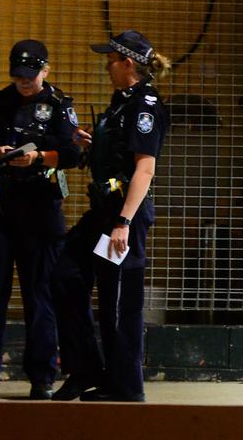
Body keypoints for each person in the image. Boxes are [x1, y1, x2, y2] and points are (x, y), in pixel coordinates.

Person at [50, 30, 171, 402]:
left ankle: (125, 387)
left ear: (127, 63)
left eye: (110, 60)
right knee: (64, 272)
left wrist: (124, 223)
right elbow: (117, 154)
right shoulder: (121, 102)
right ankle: (86, 369)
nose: (106, 66)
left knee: (119, 302)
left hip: (122, 219)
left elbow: (144, 169)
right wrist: (93, 143)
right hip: (102, 213)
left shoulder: (144, 106)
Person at [0, 39, 80, 400]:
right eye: (18, 76)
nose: (24, 82)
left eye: (30, 76)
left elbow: (73, 154)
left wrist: (40, 157)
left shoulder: (59, 105)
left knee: (39, 295)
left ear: (45, 70)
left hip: (40, 212)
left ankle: (41, 378)